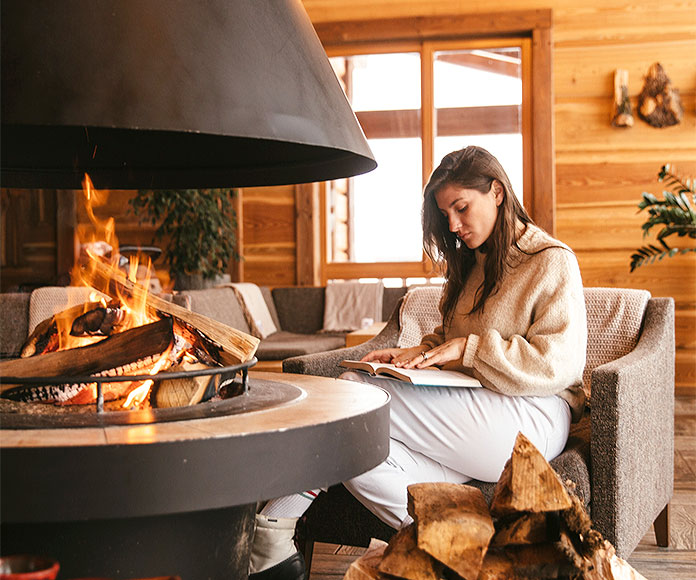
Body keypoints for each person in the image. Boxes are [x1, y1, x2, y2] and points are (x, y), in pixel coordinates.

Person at [248, 145, 587, 580]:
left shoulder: (551, 261)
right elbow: (452, 337)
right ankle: (457, 552)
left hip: (534, 416)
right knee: (358, 452)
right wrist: (419, 353)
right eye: (445, 214)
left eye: (461, 208)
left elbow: (557, 363)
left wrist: (467, 349)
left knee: (355, 395)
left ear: (497, 192)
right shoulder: (471, 265)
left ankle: (273, 523)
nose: (453, 225)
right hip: (474, 417)